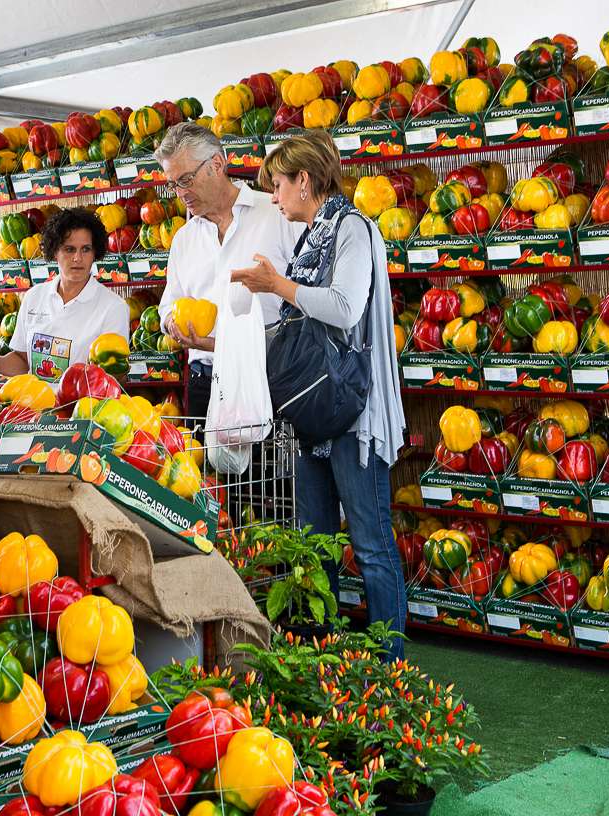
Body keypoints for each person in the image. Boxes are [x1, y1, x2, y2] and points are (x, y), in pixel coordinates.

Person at [231, 130, 406, 659]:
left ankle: (391, 664)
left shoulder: (352, 229)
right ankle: (323, 659)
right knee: (316, 544)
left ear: (304, 181)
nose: (276, 198)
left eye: (280, 186)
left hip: (353, 413)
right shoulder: (312, 235)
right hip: (313, 412)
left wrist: (278, 285)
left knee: (371, 545)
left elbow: (345, 308)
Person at [154, 123, 304, 420]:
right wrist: (172, 323)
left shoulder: (277, 215)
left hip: (267, 374)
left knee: (270, 466)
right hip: (205, 380)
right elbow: (168, 306)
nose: (181, 193)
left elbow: (307, 294)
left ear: (217, 164)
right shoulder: (184, 239)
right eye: (173, 184)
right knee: (207, 467)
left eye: (186, 179)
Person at [0, 208, 129, 381]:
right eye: (69, 249)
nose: (77, 258)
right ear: (54, 252)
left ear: (95, 253)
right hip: (34, 404)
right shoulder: (34, 297)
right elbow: (23, 361)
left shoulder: (113, 307)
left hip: (83, 406)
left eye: (86, 249)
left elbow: (114, 376)